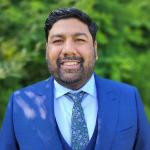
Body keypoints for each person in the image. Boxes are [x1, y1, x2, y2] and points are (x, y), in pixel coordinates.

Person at [0, 7, 150, 150]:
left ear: (95, 49)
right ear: (47, 51)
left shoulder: (128, 97)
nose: (69, 50)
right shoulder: (20, 102)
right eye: (58, 41)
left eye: (79, 40)